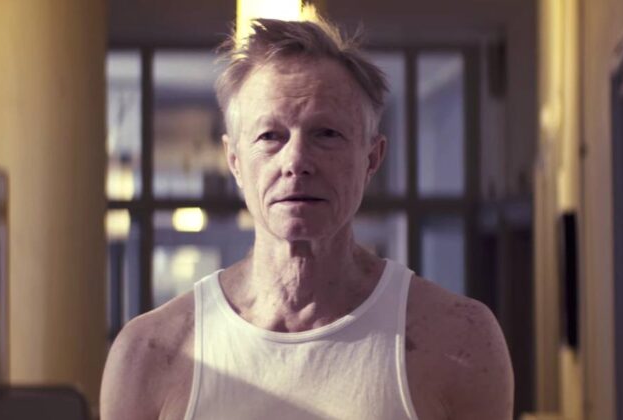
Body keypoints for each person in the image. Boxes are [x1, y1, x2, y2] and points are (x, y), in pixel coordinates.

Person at [100, 16, 514, 420]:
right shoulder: (149, 354)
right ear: (235, 160)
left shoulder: (459, 340)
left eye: (326, 134)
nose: (296, 161)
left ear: (372, 159)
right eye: (270, 136)